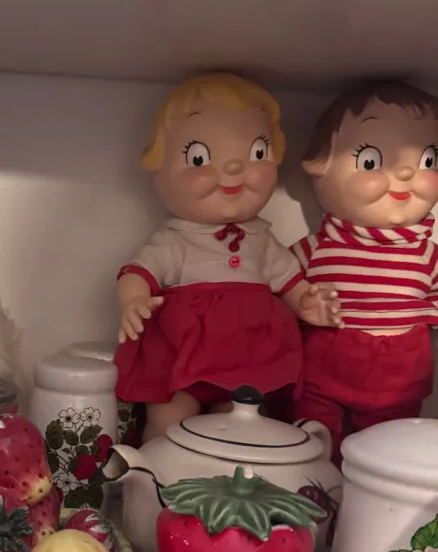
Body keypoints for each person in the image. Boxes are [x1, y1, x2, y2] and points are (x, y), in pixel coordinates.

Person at [115, 73, 340, 444]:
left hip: (247, 358)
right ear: (159, 170)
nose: (233, 170)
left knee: (240, 429)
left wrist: (307, 303)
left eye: (257, 154)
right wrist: (134, 300)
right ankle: (156, 471)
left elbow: (290, 281)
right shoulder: (175, 239)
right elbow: (138, 272)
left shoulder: (262, 239)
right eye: (199, 158)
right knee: (171, 421)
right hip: (183, 355)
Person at [292, 81, 438, 462]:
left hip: (398, 380)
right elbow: (278, 285)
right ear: (320, 164)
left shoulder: (428, 255)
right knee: (310, 444)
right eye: (371, 161)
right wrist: (297, 304)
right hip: (324, 370)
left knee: (387, 457)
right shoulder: (318, 247)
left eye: (428, 161)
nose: (405, 173)